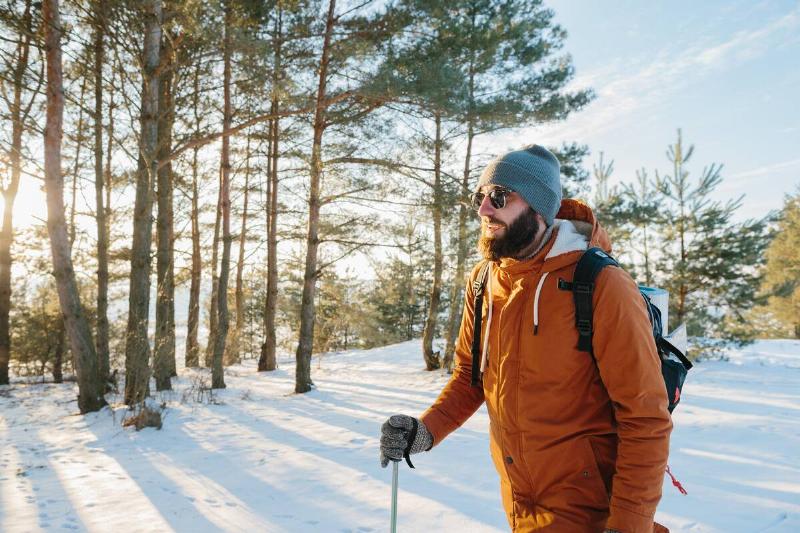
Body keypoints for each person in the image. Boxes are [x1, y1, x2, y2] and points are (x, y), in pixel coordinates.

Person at [379, 145, 672, 533]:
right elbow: (471, 375)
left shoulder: (601, 284)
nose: (484, 210)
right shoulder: (485, 281)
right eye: (480, 197)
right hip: (521, 506)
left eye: (499, 197)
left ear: (538, 206)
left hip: (595, 516)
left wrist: (628, 526)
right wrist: (426, 430)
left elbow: (646, 419)